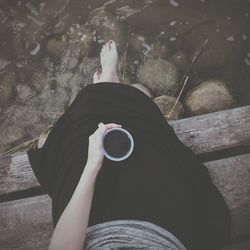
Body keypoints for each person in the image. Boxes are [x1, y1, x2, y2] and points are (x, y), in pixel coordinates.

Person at [27, 40, 230, 250]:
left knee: (84, 121)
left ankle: (106, 87)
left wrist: (92, 166)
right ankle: (111, 86)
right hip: (166, 228)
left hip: (91, 229)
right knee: (144, 132)